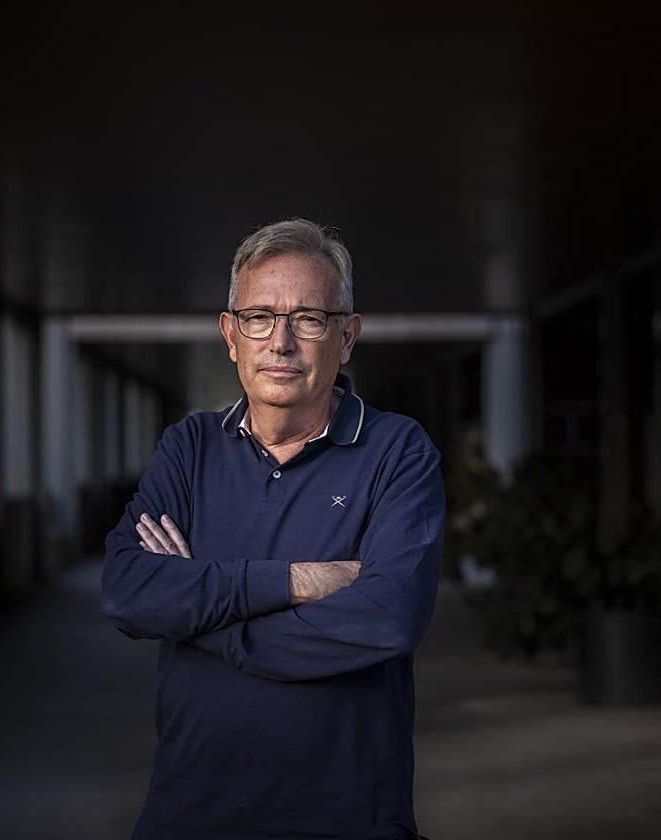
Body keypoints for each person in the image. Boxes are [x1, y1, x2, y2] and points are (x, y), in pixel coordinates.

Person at [102, 218, 444, 840]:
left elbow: (388, 618)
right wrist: (295, 581)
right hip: (190, 813)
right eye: (259, 317)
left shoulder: (398, 451)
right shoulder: (189, 448)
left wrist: (202, 622)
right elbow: (128, 591)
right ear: (231, 336)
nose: (280, 342)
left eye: (309, 318)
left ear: (347, 337)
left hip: (348, 817)